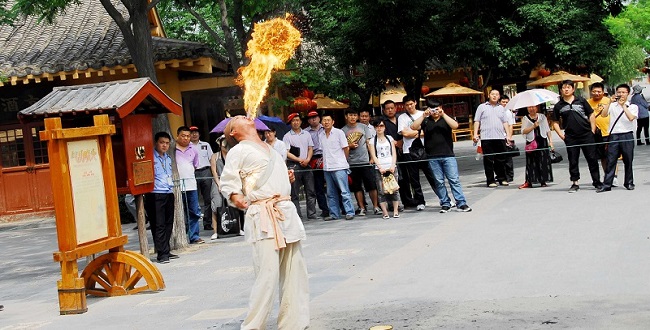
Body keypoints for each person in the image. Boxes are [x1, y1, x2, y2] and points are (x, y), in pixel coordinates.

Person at [220, 116, 309, 330]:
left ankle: (293, 322)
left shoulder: (270, 148)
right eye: (238, 119)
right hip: (263, 213)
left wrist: (285, 177)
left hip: (285, 211)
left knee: (295, 268)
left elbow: (268, 175)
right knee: (267, 273)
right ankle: (253, 325)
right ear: (233, 132)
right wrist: (235, 196)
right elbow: (228, 181)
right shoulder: (238, 151)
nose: (244, 116)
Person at [411, 99, 472, 213]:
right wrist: (423, 116)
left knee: (454, 180)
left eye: (437, 108)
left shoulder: (446, 119)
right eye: (432, 109)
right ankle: (445, 203)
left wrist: (443, 114)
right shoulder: (426, 121)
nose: (435, 111)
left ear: (441, 108)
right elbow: (413, 127)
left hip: (448, 155)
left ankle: (461, 203)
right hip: (432, 156)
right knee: (439, 181)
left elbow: (455, 126)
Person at [552, 80, 602, 193]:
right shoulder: (559, 105)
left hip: (586, 134)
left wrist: (592, 129)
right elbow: (555, 121)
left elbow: (591, 114)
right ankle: (575, 183)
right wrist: (561, 135)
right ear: (561, 90)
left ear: (573, 89)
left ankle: (597, 181)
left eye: (568, 87)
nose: (566, 89)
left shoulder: (581, 101)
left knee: (592, 159)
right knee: (573, 160)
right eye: (564, 87)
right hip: (571, 137)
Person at [397, 95, 438, 210]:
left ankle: (442, 197)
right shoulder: (402, 117)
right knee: (414, 179)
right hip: (408, 151)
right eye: (407, 105)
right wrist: (418, 133)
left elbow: (429, 130)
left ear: (415, 102)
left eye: (411, 104)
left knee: (432, 176)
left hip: (425, 149)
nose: (409, 106)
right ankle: (420, 201)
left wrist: (413, 132)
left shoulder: (423, 114)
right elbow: (404, 133)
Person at [144, 132, 178, 263]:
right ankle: (161, 253)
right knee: (158, 224)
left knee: (168, 223)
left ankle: (166, 249)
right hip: (155, 193)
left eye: (167, 143)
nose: (164, 145)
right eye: (162, 142)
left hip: (169, 192)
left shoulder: (168, 158)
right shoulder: (150, 157)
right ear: (156, 143)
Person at [597, 83, 638, 192]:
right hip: (614, 135)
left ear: (628, 94)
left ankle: (629, 182)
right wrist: (609, 102)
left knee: (628, 160)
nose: (621, 94)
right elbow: (604, 115)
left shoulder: (633, 106)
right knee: (611, 160)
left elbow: (631, 118)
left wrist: (623, 105)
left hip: (627, 135)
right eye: (619, 92)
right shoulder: (612, 105)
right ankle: (607, 184)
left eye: (623, 92)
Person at [342, 108, 379, 216]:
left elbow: (369, 143)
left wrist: (372, 157)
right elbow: (343, 147)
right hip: (352, 162)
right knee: (357, 187)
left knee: (371, 185)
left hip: (365, 161)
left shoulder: (363, 127)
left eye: (354, 115)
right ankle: (362, 207)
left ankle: (376, 206)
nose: (353, 117)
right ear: (346, 116)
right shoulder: (343, 130)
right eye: (350, 115)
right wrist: (350, 145)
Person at [319, 113, 355, 220]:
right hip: (327, 167)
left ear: (333, 122)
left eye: (328, 120)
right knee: (330, 192)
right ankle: (334, 214)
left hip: (339, 166)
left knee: (344, 191)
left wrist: (344, 161)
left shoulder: (339, 133)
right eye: (324, 120)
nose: (326, 122)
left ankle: (349, 212)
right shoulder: (321, 135)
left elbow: (346, 148)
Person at [473, 89, 512, 187]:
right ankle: (490, 180)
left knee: (501, 159)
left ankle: (502, 178)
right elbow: (477, 121)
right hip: (486, 137)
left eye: (496, 94)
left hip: (499, 137)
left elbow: (505, 122)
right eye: (492, 94)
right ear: (489, 95)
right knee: (488, 160)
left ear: (499, 97)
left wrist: (508, 135)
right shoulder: (482, 107)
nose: (494, 96)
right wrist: (475, 134)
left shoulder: (501, 108)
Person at [283, 113, 318, 220]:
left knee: (311, 190)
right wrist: (299, 160)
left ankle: (311, 213)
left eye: (297, 120)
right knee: (294, 192)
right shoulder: (287, 136)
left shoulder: (307, 134)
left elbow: (310, 148)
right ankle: (297, 215)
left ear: (301, 122)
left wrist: (307, 159)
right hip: (294, 165)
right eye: (293, 121)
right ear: (290, 123)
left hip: (307, 164)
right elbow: (287, 152)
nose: (296, 122)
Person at [176, 126, 204, 244]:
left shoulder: (194, 149)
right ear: (177, 136)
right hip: (176, 187)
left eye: (188, 136)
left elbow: (195, 165)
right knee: (179, 212)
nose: (186, 138)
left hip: (191, 185)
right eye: (183, 135)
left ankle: (194, 236)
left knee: (193, 211)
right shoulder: (172, 149)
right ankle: (180, 237)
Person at [367, 119, 400, 219]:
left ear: (384, 127)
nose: (379, 128)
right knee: (381, 191)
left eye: (381, 126)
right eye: (377, 126)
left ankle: (395, 210)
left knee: (394, 189)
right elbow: (373, 155)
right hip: (379, 168)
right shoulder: (372, 141)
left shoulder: (389, 138)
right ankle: (385, 212)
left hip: (391, 166)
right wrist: (380, 167)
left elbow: (393, 152)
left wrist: (393, 165)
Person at [380, 100, 407, 211]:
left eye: (392, 108)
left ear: (396, 108)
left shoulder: (401, 118)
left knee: (405, 178)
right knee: (392, 179)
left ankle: (407, 200)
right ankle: (393, 204)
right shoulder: (383, 122)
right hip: (389, 154)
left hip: (403, 151)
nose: (390, 110)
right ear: (384, 110)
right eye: (387, 108)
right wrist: (395, 143)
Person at [518, 105, 554, 189]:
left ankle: (543, 180)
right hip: (531, 142)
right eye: (529, 107)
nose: (531, 109)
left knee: (543, 160)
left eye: (533, 107)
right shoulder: (525, 118)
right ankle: (529, 181)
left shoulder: (542, 117)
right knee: (531, 161)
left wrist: (551, 141)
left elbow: (547, 129)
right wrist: (533, 126)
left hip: (542, 140)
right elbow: (523, 131)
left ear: (536, 107)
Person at [304, 110, 330, 218]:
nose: (313, 119)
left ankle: (339, 207)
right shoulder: (305, 132)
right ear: (308, 120)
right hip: (314, 158)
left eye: (315, 117)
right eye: (311, 118)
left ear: (319, 118)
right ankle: (324, 209)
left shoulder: (326, 128)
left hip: (328, 157)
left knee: (333, 185)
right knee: (318, 186)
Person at [189, 126, 214, 231]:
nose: (194, 134)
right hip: (193, 173)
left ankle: (207, 222)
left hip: (205, 171)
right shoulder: (188, 147)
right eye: (192, 133)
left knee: (207, 198)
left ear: (199, 134)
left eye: (196, 132)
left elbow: (211, 159)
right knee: (193, 198)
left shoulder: (205, 145)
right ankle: (192, 225)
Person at [587, 82, 613, 178]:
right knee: (602, 156)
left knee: (612, 156)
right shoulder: (587, 102)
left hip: (609, 132)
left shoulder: (609, 101)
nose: (596, 93)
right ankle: (607, 175)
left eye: (599, 91)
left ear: (603, 92)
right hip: (596, 134)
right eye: (594, 91)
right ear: (591, 92)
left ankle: (614, 176)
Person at [499, 95, 515, 182]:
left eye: (506, 102)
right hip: (497, 137)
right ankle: (501, 174)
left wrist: (509, 137)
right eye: (503, 102)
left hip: (505, 137)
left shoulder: (508, 112)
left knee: (508, 158)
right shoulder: (497, 111)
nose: (505, 104)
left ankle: (509, 175)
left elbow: (510, 125)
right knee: (499, 157)